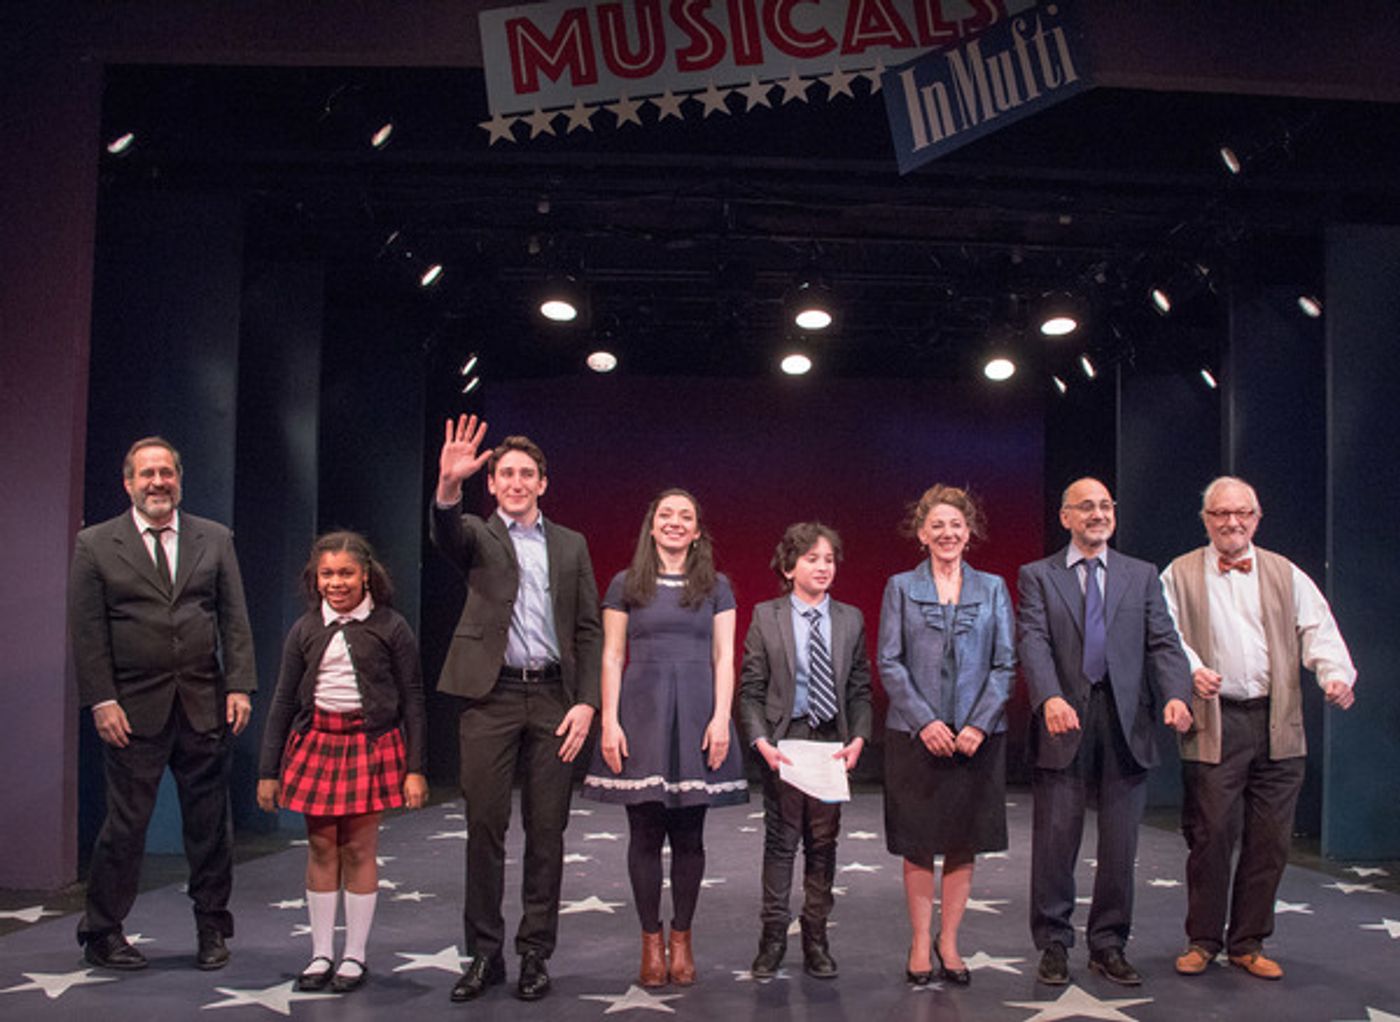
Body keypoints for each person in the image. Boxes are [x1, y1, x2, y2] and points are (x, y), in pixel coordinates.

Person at [430, 414, 602, 1003]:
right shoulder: (477, 533)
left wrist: (587, 704)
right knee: (484, 827)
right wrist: (449, 487)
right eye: (505, 473)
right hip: (491, 696)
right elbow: (445, 533)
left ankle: (535, 955)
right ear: (492, 482)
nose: (516, 482)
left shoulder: (571, 544)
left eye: (527, 473)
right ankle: (483, 954)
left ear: (543, 483)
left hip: (555, 698)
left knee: (547, 830)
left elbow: (588, 628)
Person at [68, 436, 256, 971]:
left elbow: (234, 618)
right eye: (146, 474)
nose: (157, 482)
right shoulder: (96, 543)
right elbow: (87, 632)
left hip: (204, 704)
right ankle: (102, 931)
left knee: (210, 826)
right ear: (128, 483)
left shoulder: (214, 538)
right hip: (131, 710)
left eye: (166, 473)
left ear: (179, 479)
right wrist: (101, 699)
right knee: (125, 827)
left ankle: (212, 930)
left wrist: (239, 685)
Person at [1161, 476, 1356, 981]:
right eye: (1221, 514)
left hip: (1277, 721)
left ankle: (1248, 941)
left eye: (1242, 513)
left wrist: (1334, 675)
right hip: (1214, 721)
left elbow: (1319, 629)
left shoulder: (1284, 573)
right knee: (1211, 836)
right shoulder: (1179, 574)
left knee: (1270, 840)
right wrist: (1192, 669)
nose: (1232, 522)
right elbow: (1165, 635)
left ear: (1257, 517)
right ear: (1206, 520)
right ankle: (1202, 939)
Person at [1017, 477, 1193, 987]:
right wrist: (1049, 696)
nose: (1098, 514)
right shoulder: (1039, 576)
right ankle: (1053, 941)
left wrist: (1177, 693)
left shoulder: (1141, 575)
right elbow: (1032, 639)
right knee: (1055, 841)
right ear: (1066, 516)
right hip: (1063, 718)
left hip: (1126, 722)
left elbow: (1164, 642)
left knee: (1120, 846)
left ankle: (1109, 944)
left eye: (1105, 506)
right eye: (1086, 507)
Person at [581, 489, 748, 987]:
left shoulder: (716, 587)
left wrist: (721, 718)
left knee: (690, 835)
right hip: (642, 710)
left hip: (698, 710)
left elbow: (724, 658)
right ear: (651, 526)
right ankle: (650, 943)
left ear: (697, 531)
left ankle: (682, 940)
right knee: (646, 834)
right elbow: (611, 656)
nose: (675, 523)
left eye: (686, 517)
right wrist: (609, 720)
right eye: (666, 515)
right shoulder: (624, 584)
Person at [257, 531, 428, 994]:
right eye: (327, 574)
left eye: (346, 573)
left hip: (369, 744)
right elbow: (281, 700)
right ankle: (320, 953)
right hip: (318, 742)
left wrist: (415, 767)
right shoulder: (305, 629)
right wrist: (267, 771)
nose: (336, 582)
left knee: (358, 847)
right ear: (316, 578)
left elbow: (412, 697)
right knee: (320, 847)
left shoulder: (391, 626)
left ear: (366, 575)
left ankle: (354, 954)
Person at [878, 486, 1015, 987]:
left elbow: (1005, 663)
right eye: (937, 525)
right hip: (915, 736)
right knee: (919, 842)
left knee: (963, 842)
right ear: (921, 534)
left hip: (977, 738)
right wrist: (925, 721)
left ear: (969, 532)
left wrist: (977, 723)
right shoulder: (899, 587)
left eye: (956, 525)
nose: (947, 533)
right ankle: (919, 940)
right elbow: (889, 661)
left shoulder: (994, 588)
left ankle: (950, 941)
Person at [738, 522, 872, 980]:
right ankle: (772, 937)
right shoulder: (765, 615)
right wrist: (761, 742)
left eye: (829, 559)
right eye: (812, 558)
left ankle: (816, 935)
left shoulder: (850, 618)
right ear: (789, 565)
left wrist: (858, 737)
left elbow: (859, 688)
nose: (822, 567)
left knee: (823, 843)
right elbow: (751, 689)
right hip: (785, 741)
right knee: (781, 842)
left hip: (831, 744)